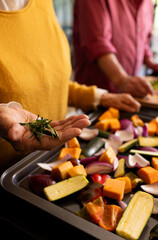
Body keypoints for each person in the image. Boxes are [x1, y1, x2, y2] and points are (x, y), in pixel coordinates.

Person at [0, 0, 140, 166]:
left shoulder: (43, 3)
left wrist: (99, 97)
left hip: (52, 161)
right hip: (8, 171)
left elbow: (50, 82)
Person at [73, 0, 158, 97]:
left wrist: (152, 63)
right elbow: (97, 42)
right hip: (95, 95)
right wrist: (122, 80)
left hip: (126, 94)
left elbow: (143, 41)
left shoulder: (148, 3)